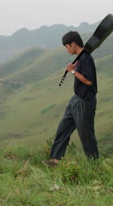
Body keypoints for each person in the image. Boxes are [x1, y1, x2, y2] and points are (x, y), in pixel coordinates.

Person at [43, 31, 99, 166]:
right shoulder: (80, 58)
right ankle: (55, 160)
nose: (67, 49)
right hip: (76, 99)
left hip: (85, 101)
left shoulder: (86, 58)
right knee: (63, 129)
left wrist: (72, 71)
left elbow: (88, 81)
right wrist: (75, 69)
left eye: (67, 46)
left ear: (73, 44)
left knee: (86, 135)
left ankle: (94, 165)